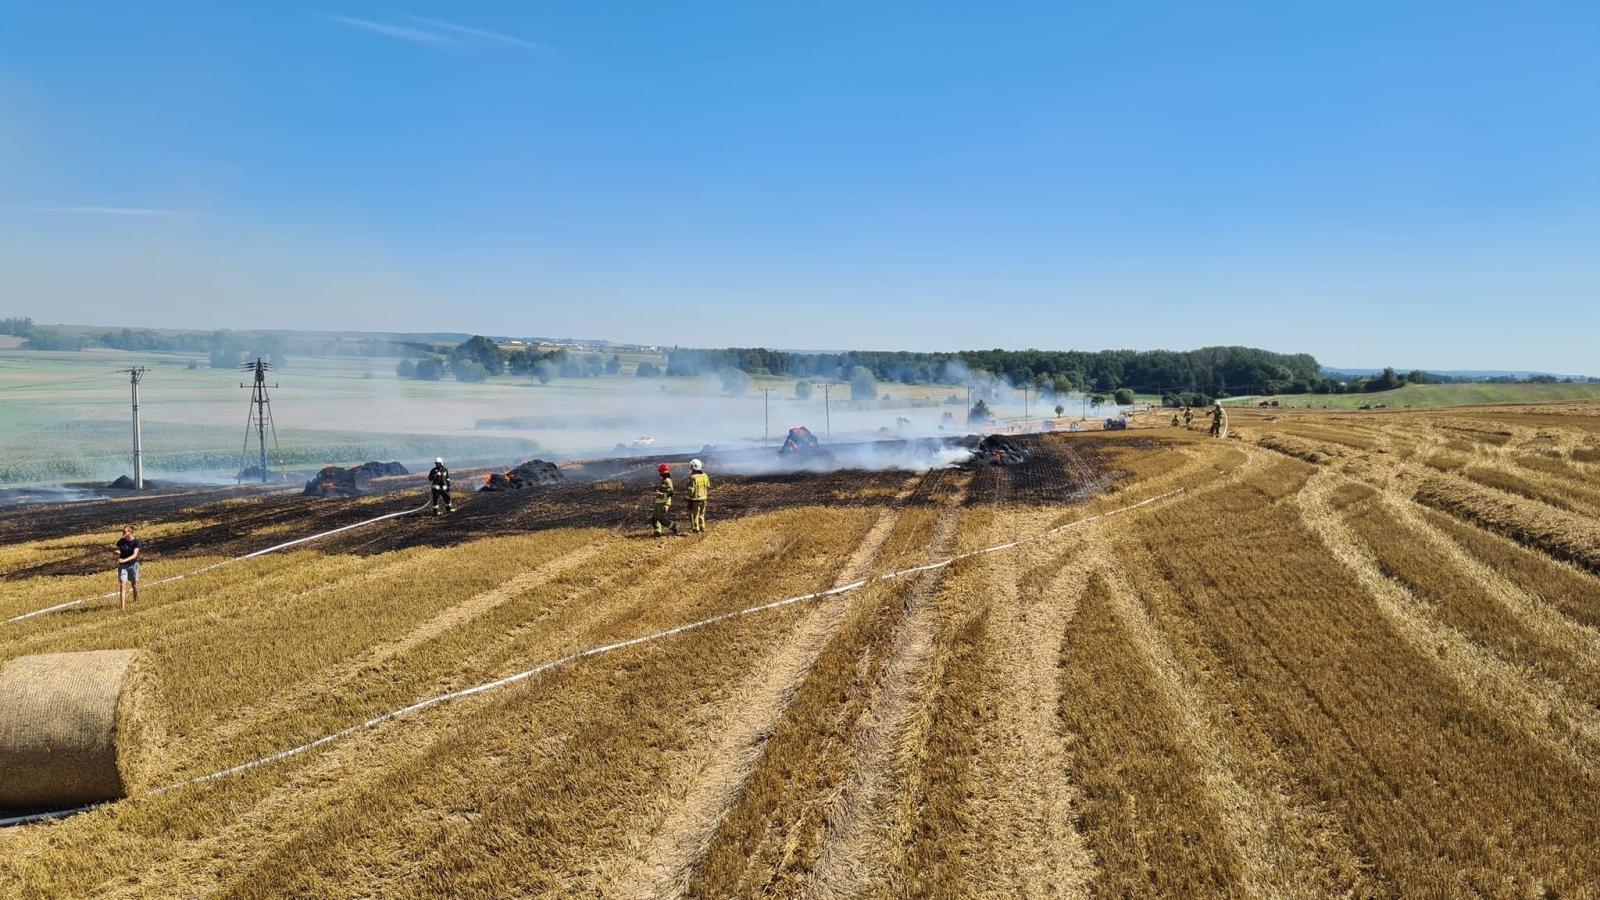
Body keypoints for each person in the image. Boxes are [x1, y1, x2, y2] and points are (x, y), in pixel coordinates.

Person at [115, 525, 141, 611]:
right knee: (123, 585)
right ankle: (123, 607)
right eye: (123, 531)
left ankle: (136, 600)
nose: (123, 533)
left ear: (130, 532)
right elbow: (119, 550)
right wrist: (118, 552)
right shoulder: (121, 541)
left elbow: (134, 555)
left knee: (134, 585)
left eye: (125, 531)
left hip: (133, 565)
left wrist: (124, 560)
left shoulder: (136, 542)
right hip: (123, 567)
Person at [651, 463, 678, 536]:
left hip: (664, 503)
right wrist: (658, 491)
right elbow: (663, 490)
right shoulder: (663, 480)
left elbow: (671, 493)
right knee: (654, 518)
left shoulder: (667, 481)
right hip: (658, 502)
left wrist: (661, 494)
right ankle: (657, 532)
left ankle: (674, 526)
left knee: (661, 519)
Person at [687, 458, 711, 533]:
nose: (690, 468)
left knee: (694, 515)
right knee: (701, 514)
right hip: (704, 498)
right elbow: (708, 485)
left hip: (696, 499)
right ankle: (702, 527)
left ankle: (695, 528)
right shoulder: (705, 476)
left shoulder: (693, 477)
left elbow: (691, 489)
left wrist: (687, 497)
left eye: (691, 466)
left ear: (694, 467)